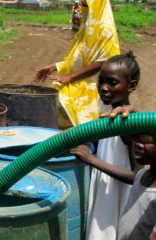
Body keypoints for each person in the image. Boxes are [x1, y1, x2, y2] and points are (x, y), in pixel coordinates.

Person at [70, 52, 141, 240]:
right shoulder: (107, 114)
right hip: (103, 193)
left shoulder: (129, 123)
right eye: (100, 81)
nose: (104, 88)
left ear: (131, 86)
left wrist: (90, 159)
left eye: (112, 82)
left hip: (116, 199)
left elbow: (136, 175)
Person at [32, 0, 120, 127]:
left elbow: (102, 61)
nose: (81, 8)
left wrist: (70, 77)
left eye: (85, 5)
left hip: (95, 91)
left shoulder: (104, 28)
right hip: (84, 86)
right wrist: (55, 66)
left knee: (86, 131)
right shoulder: (89, 26)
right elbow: (81, 58)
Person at [73, 131, 156, 240]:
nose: (139, 144)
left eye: (148, 140)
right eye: (137, 138)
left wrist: (91, 160)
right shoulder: (141, 176)